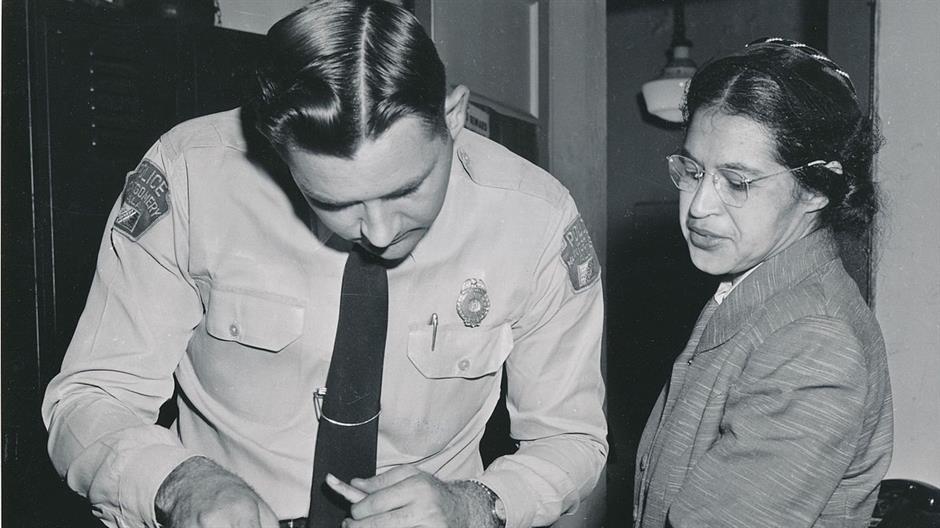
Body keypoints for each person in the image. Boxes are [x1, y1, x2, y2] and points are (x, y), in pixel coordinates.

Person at [41, 2, 608, 527]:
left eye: (407, 188)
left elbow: (572, 439)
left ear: (452, 116)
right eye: (334, 202)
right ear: (277, 150)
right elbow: (90, 400)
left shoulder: (536, 220)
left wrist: (474, 505)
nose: (380, 232)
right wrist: (181, 485)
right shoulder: (190, 176)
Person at [633, 37, 893, 528]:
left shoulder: (813, 340)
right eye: (692, 170)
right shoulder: (756, 289)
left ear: (817, 187)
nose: (699, 206)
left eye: (737, 182)